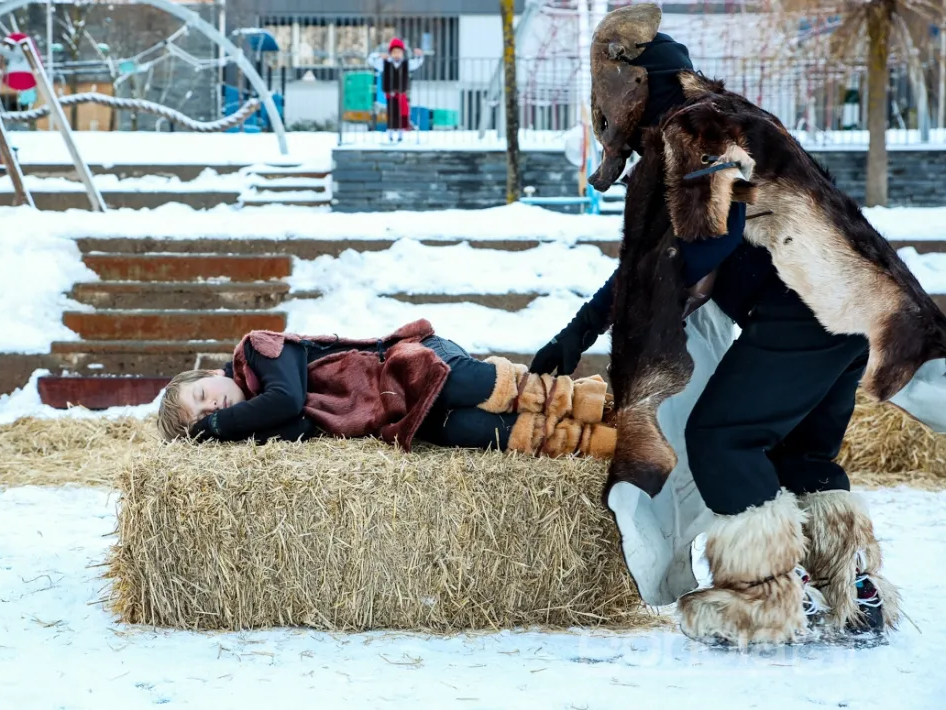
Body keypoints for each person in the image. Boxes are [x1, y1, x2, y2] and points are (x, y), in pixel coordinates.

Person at [531, 26, 898, 639]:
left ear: (637, 86)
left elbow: (707, 239)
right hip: (857, 307)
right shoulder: (734, 116)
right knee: (796, 454)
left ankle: (767, 598)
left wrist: (589, 327)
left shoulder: (692, 126)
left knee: (721, 437)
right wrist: (589, 326)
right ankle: (848, 592)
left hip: (805, 310)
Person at [156, 320, 616, 460]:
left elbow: (289, 401)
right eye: (200, 417)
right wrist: (231, 432)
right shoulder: (258, 415)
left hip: (406, 366)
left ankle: (601, 405)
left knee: (473, 385)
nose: (211, 407)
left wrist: (215, 427)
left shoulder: (257, 350)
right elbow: (298, 423)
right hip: (403, 416)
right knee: (485, 432)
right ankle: (605, 443)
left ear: (208, 376)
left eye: (202, 397)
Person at [368, 38, 425, 142]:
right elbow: (371, 60)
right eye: (394, 52)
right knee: (391, 113)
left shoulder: (406, 64)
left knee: (401, 112)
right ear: (390, 53)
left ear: (402, 53)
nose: (396, 54)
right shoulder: (384, 64)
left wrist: (419, 55)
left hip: (401, 93)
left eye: (399, 52)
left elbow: (417, 63)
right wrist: (378, 55)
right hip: (390, 93)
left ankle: (400, 133)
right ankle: (390, 131)